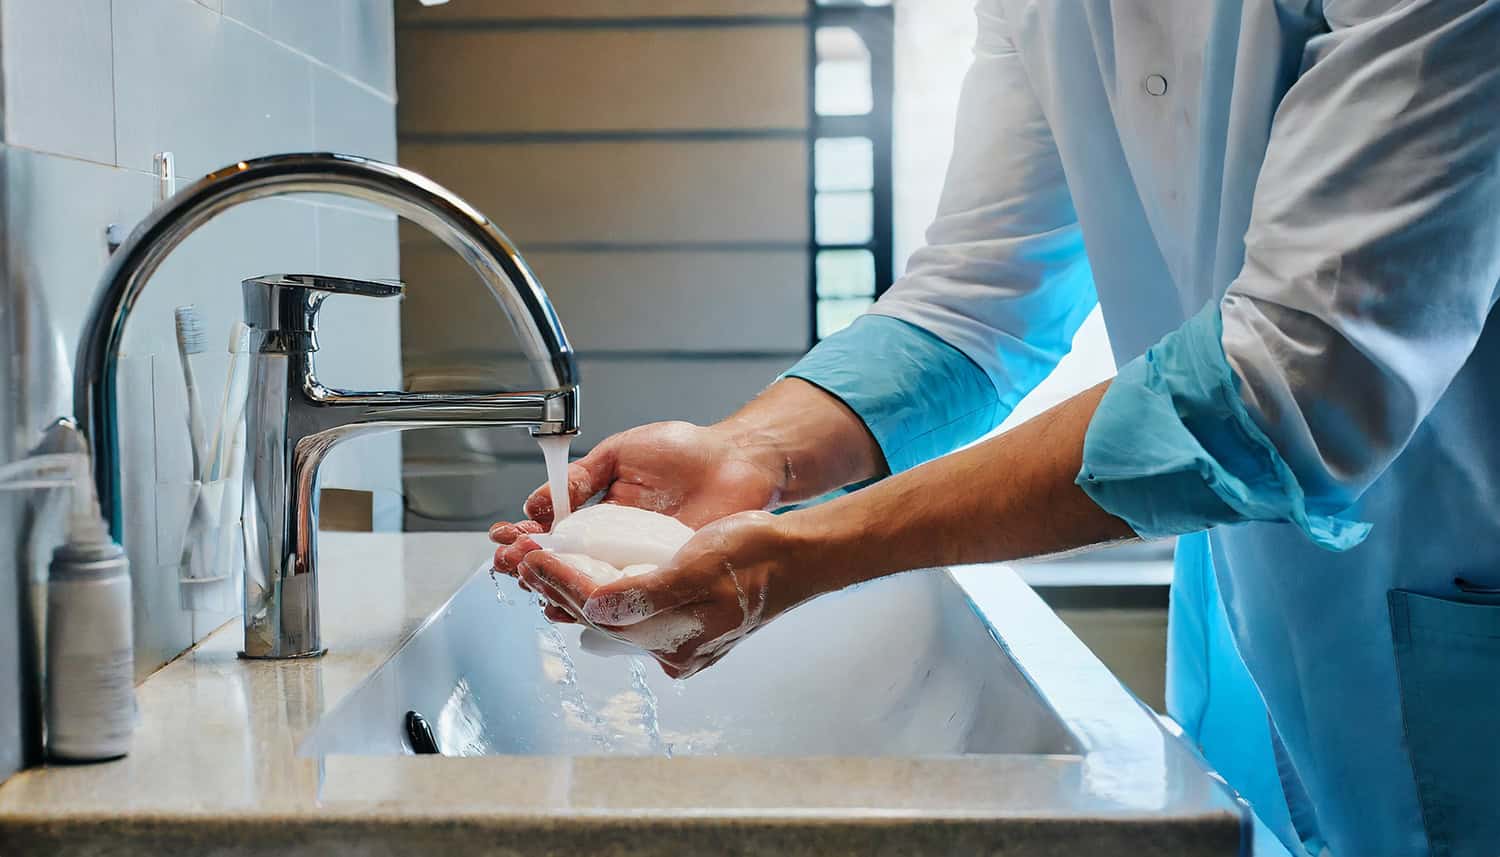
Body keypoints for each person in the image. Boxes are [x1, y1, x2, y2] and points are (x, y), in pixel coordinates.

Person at [491, 2, 1500, 854]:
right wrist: (751, 452)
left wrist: (801, 552)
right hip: (1258, 598)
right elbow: (977, 299)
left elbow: (1300, 371)